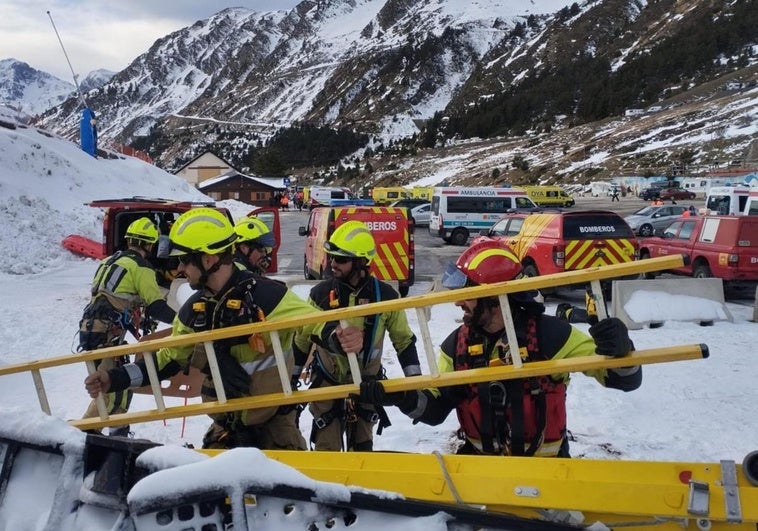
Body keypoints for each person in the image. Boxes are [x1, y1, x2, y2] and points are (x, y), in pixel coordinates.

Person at [355, 240, 641, 457]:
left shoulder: (552, 336)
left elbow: (624, 380)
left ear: (493, 297)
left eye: (468, 295)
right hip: (480, 471)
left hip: (548, 473)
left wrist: (620, 349)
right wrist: (400, 396)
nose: (457, 302)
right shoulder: (455, 347)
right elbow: (436, 409)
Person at [84, 207, 322, 450]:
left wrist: (343, 336)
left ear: (208, 259)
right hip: (225, 430)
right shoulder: (194, 310)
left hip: (276, 432)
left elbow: (322, 322)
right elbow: (167, 360)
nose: (179, 269)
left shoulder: (267, 295)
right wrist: (114, 378)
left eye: (185, 260)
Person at [295, 220, 422, 451]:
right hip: (327, 382)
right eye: (331, 257)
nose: (333, 263)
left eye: (341, 259)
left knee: (363, 447)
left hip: (367, 384)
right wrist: (291, 382)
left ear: (362, 262)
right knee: (327, 448)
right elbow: (301, 340)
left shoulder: (385, 297)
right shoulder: (320, 294)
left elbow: (404, 342)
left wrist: (416, 383)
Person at [78, 217, 176, 430]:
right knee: (108, 394)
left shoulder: (109, 261)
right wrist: (181, 321)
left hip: (91, 330)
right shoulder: (141, 267)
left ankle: (116, 433)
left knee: (121, 388)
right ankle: (82, 434)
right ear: (149, 245)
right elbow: (156, 306)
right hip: (107, 335)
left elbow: (112, 298)